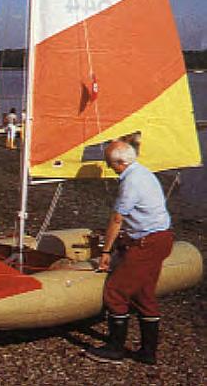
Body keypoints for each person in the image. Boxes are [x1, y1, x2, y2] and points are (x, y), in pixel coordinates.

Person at [90, 141, 173, 364]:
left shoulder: (132, 182)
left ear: (121, 162)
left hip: (148, 244)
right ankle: (148, 353)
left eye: (110, 163)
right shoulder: (143, 172)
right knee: (144, 294)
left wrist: (106, 250)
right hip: (161, 238)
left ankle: (115, 349)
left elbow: (118, 218)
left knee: (116, 291)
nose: (108, 167)